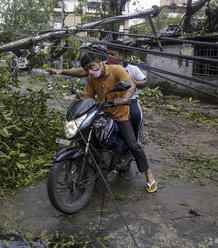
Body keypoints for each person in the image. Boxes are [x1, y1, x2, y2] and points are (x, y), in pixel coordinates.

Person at [49, 53, 157, 193]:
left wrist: (124, 98)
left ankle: (149, 175)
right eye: (87, 69)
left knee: (133, 144)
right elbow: (90, 96)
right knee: (90, 136)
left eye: (91, 67)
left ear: (99, 62)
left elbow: (131, 85)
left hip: (121, 114)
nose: (90, 71)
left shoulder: (116, 70)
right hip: (104, 113)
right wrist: (81, 97)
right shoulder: (92, 78)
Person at [46, 44, 146, 143]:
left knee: (134, 121)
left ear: (121, 55)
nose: (110, 56)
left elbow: (138, 83)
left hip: (128, 101)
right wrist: (62, 71)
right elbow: (82, 73)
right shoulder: (97, 69)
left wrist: (129, 90)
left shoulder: (129, 69)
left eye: (113, 54)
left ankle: (136, 140)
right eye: (108, 54)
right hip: (107, 105)